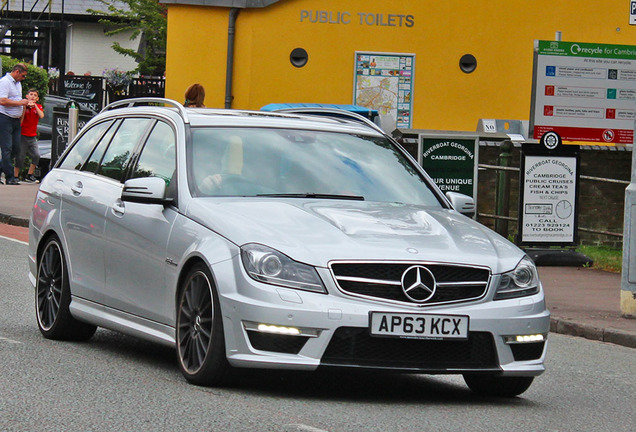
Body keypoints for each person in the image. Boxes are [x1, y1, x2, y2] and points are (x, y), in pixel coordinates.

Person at [0, 63, 29, 185]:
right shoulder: (5, 82)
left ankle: (2, 169)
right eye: (23, 76)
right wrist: (20, 103)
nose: (24, 78)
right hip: (5, 117)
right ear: (17, 72)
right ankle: (10, 177)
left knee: (16, 147)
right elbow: (2, 100)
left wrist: (21, 115)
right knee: (7, 148)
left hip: (16, 119)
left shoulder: (18, 84)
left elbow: (19, 100)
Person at [14, 88, 43, 183]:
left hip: (32, 136)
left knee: (36, 155)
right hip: (23, 135)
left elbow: (41, 115)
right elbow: (20, 120)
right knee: (20, 156)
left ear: (37, 98)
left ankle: (30, 174)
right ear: (27, 96)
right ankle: (15, 176)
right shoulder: (23, 107)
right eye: (31, 94)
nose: (32, 96)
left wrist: (35, 106)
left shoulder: (38, 106)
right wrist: (25, 107)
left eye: (35, 95)